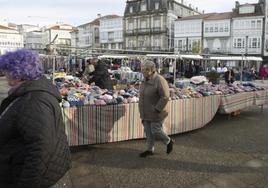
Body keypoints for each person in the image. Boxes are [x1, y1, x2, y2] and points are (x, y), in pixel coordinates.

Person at [0, 49, 72, 188]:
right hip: (16, 165)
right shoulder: (29, 93)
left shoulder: (34, 100)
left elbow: (40, 150)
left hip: (23, 173)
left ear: (18, 72)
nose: (5, 74)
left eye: (8, 70)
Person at [138, 60, 174, 158]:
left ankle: (169, 141)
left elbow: (165, 96)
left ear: (151, 70)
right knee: (148, 132)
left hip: (156, 112)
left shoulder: (159, 80)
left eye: (145, 70)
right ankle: (150, 150)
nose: (142, 71)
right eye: (142, 69)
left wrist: (157, 108)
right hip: (146, 112)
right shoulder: (145, 79)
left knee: (156, 130)